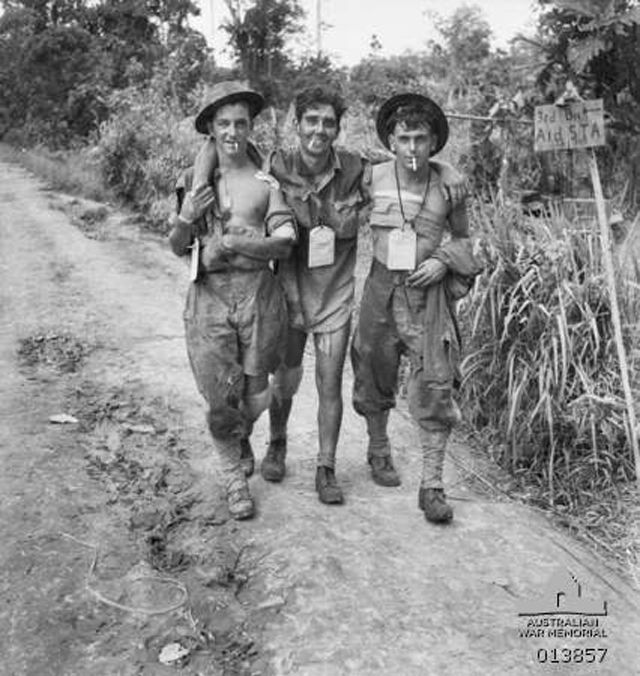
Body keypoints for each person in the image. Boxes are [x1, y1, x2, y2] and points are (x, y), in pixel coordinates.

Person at [191, 85, 467, 505]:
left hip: (342, 296)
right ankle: (276, 443)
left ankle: (332, 466)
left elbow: (420, 174)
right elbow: (220, 148)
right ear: (297, 125)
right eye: (311, 121)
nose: (319, 130)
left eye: (328, 122)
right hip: (287, 293)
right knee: (284, 380)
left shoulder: (359, 169)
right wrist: (196, 183)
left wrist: (446, 172)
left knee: (338, 382)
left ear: (338, 128)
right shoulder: (275, 164)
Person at [350, 92, 481, 524]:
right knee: (371, 365)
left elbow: (464, 241)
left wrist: (443, 260)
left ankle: (432, 485)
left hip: (427, 295)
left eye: (420, 139)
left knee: (435, 380)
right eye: (404, 138)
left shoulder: (449, 186)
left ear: (433, 143)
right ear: (390, 141)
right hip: (381, 286)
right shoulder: (372, 177)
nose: (411, 148)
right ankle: (379, 449)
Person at [168, 81, 296, 520]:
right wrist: (187, 219)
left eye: (241, 122)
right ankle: (233, 479)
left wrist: (243, 245)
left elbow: (284, 241)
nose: (233, 131)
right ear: (210, 128)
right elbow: (176, 245)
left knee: (257, 393)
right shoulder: (193, 180)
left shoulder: (264, 180)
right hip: (210, 294)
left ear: (250, 126)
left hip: (258, 291)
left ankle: (243, 436)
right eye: (223, 123)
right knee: (220, 395)